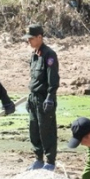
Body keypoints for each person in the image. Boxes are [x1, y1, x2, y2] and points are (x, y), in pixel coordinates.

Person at [25, 24, 60, 171]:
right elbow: (33, 79)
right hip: (34, 98)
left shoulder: (49, 55)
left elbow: (53, 79)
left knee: (47, 130)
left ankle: (50, 161)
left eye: (31, 39)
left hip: (44, 99)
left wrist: (50, 98)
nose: (29, 42)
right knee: (34, 129)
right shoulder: (34, 55)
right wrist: (29, 98)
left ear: (40, 37)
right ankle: (38, 159)